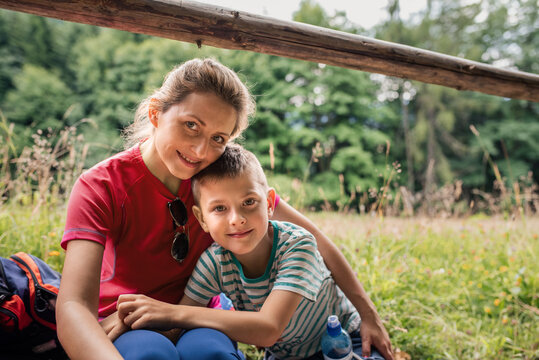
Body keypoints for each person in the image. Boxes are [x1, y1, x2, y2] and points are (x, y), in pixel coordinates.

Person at [56, 58, 393, 360]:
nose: (200, 150)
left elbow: (313, 238)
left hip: (201, 316)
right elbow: (73, 306)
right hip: (129, 321)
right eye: (191, 125)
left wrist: (368, 314)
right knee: (149, 353)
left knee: (210, 352)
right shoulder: (101, 186)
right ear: (156, 112)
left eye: (218, 138)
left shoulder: (218, 184)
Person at [116, 143, 386, 359]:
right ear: (201, 219)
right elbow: (180, 323)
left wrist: (169, 311)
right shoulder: (214, 262)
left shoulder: (297, 244)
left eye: (249, 202)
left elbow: (268, 329)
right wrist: (121, 325)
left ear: (269, 203)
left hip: (344, 341)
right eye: (219, 208)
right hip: (285, 356)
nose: (236, 219)